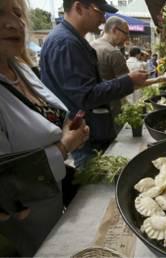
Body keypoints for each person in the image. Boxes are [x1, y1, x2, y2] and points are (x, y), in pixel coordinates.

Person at [0, 0, 89, 255]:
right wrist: (65, 146)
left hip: (51, 200)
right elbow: (6, 174)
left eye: (18, 14)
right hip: (21, 221)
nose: (13, 23)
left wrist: (72, 129)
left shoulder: (21, 69)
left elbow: (47, 120)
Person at [40, 0, 148, 168]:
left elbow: (89, 86)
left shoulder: (73, 40)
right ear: (78, 7)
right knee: (93, 184)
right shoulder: (65, 43)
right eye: (100, 11)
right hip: (85, 135)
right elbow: (86, 95)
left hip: (92, 130)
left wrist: (125, 81)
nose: (104, 18)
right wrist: (128, 81)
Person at [91, 16, 130, 132]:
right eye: (125, 33)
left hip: (93, 109)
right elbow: (127, 85)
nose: (126, 38)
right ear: (114, 30)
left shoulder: (90, 45)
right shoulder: (113, 53)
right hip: (112, 110)